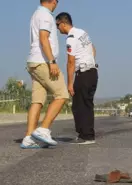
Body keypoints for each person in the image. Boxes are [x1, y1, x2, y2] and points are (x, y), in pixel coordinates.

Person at [21, 0, 69, 149]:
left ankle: (29, 138)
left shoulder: (36, 14)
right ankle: (43, 129)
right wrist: (52, 61)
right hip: (43, 62)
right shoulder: (46, 15)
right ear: (53, 1)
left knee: (37, 101)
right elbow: (44, 39)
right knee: (62, 94)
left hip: (33, 62)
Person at [56, 12, 98, 144]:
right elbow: (93, 50)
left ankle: (86, 136)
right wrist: (88, 61)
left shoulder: (71, 38)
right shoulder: (82, 33)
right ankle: (87, 134)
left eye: (58, 25)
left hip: (83, 73)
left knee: (79, 106)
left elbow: (70, 62)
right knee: (87, 104)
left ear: (63, 23)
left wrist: (70, 83)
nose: (57, 28)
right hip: (92, 72)